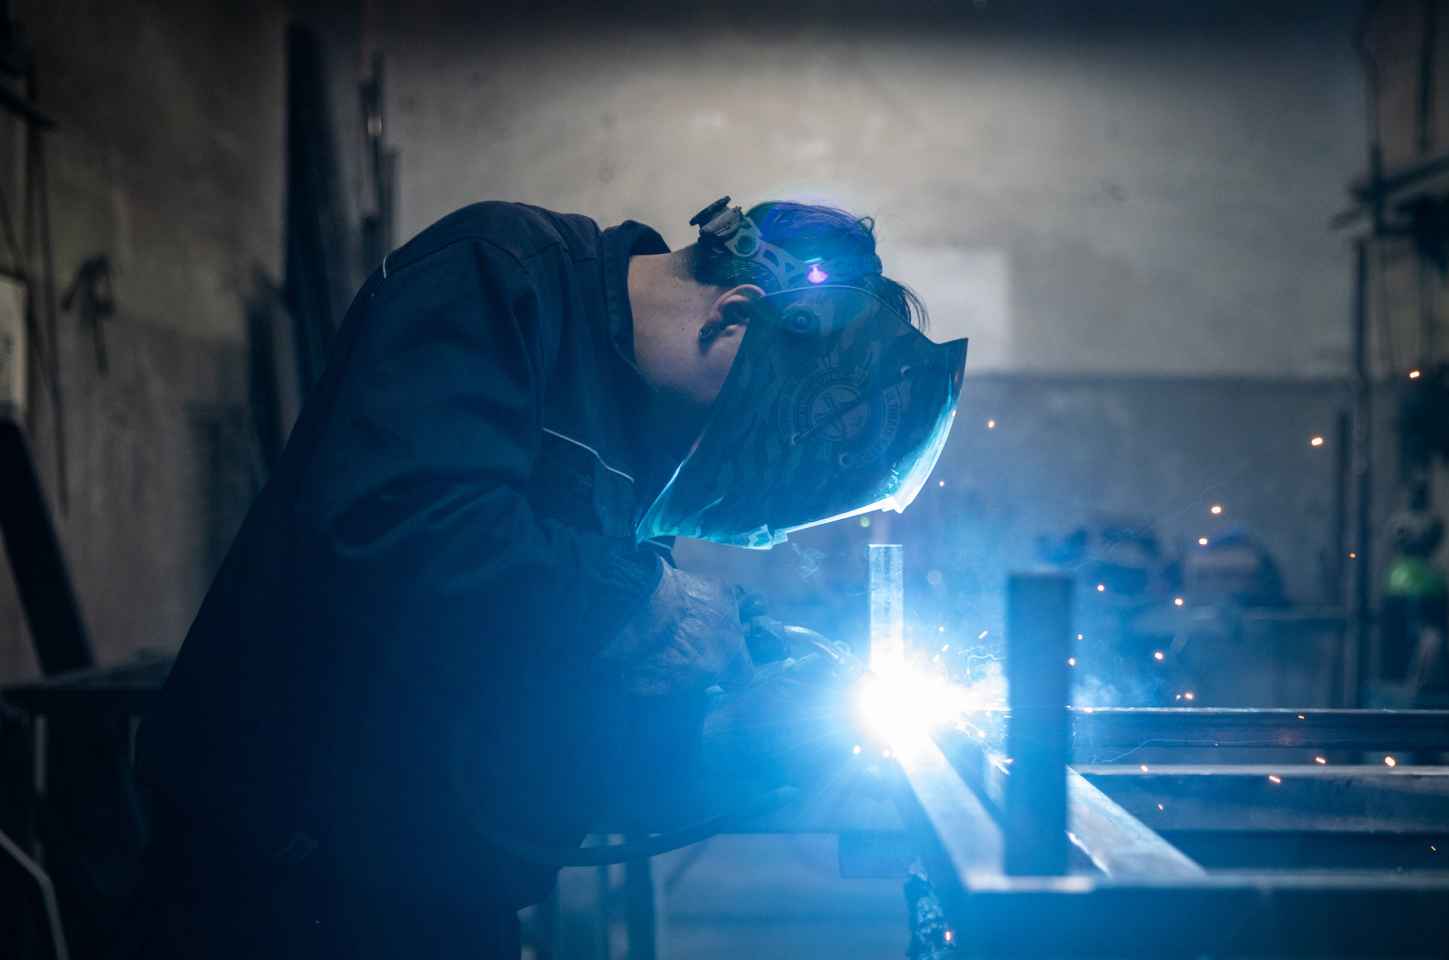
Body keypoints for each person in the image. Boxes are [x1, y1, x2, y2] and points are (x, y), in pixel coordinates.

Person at [127, 197, 966, 958]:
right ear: (733, 319)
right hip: (277, 880)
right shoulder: (497, 276)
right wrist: (654, 602)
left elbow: (543, 672)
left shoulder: (643, 414)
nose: (701, 476)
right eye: (732, 452)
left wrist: (730, 736)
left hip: (441, 891)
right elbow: (402, 530)